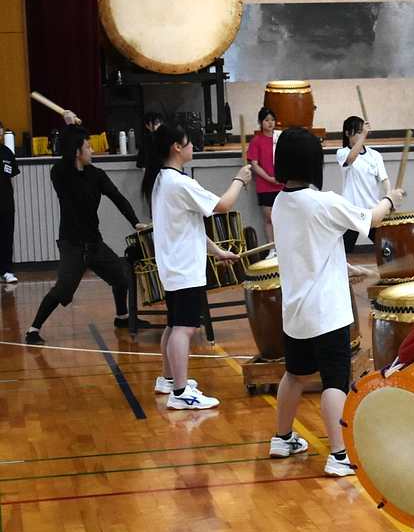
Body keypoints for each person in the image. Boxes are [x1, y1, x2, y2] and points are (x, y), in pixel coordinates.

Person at [267, 127, 403, 476]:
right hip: (327, 314)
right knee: (334, 382)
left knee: (294, 375)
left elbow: (308, 248)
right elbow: (371, 219)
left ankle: (282, 438)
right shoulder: (324, 202)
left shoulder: (281, 203)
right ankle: (340, 456)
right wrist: (391, 200)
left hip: (296, 313)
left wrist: (344, 267)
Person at [142, 122, 250, 409]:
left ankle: (168, 379)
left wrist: (216, 251)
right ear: (177, 147)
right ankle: (180, 393)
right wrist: (239, 180)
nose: (193, 147)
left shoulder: (162, 180)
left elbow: (188, 226)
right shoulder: (179, 182)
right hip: (184, 268)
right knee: (185, 329)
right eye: (188, 142)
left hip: (174, 266)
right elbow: (223, 206)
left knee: (174, 325)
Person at [25, 120, 150, 345]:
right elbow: (64, 161)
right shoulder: (61, 175)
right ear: (76, 151)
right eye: (88, 146)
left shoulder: (96, 175)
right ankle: (33, 329)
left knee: (121, 280)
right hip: (73, 245)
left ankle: (122, 317)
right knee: (63, 290)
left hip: (95, 243)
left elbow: (117, 198)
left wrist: (135, 222)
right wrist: (70, 127)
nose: (92, 150)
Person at [336, 115, 390, 276]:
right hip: (351, 211)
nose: (361, 136)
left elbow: (384, 179)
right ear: (347, 134)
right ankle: (341, 279)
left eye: (362, 132)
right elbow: (351, 158)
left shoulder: (375, 155)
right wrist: (364, 135)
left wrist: (389, 196)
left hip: (373, 212)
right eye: (357, 133)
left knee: (387, 248)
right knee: (342, 250)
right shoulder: (343, 153)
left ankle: (388, 281)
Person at [246, 107, 283, 254]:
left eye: (272, 120)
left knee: (283, 217)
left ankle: (284, 247)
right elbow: (254, 164)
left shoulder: (280, 138)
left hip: (282, 183)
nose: (270, 123)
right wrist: (269, 178)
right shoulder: (256, 141)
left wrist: (281, 177)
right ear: (260, 122)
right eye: (266, 120)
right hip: (265, 185)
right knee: (269, 218)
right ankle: (272, 248)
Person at [0, 119, 20, 283]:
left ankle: (7, 271)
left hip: (6, 204)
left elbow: (11, 179)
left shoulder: (7, 153)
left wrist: (10, 198)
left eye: (0, 128)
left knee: (7, 238)